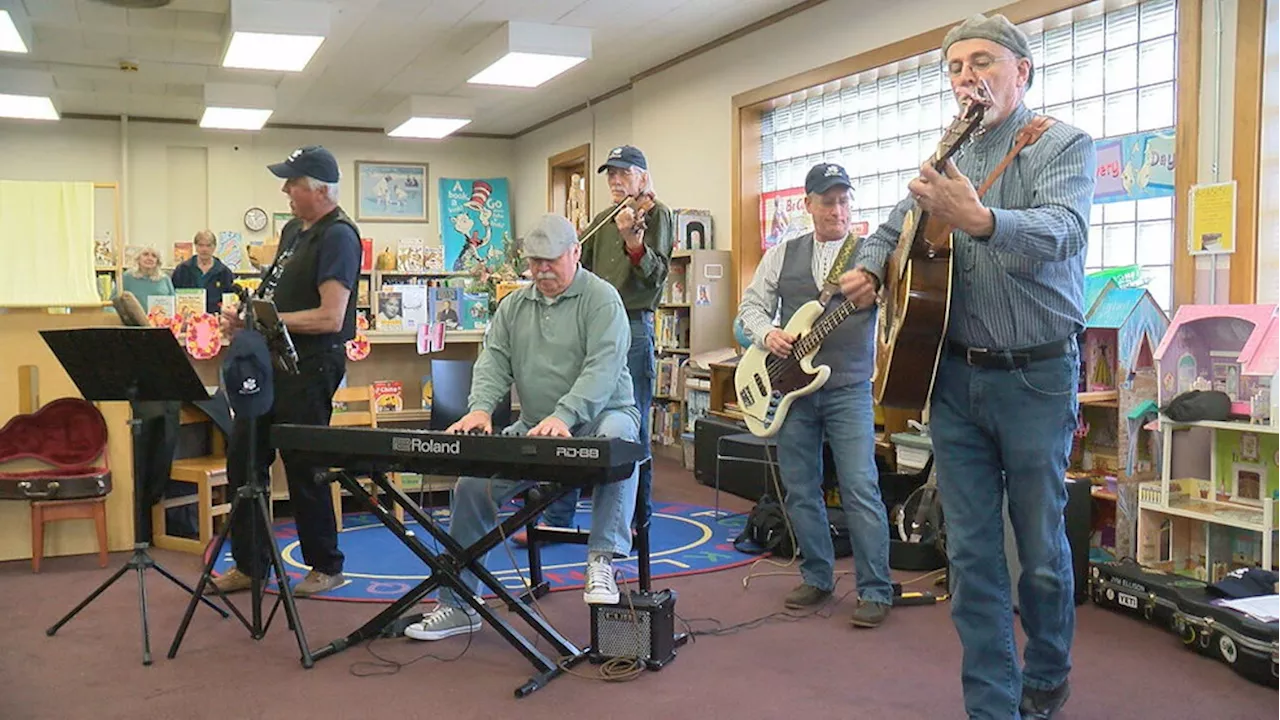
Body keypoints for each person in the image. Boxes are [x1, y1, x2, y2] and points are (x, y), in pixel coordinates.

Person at [842, 14, 1096, 720]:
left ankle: (1046, 674)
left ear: (1023, 71)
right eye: (954, 68)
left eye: (981, 61)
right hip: (951, 380)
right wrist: (868, 268)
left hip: (1036, 379)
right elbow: (894, 224)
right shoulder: (947, 151)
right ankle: (991, 704)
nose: (965, 77)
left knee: (1040, 550)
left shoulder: (1064, 145)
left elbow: (1066, 233)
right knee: (975, 555)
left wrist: (982, 219)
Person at [404, 214, 641, 641]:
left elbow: (602, 370)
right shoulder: (514, 305)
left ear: (576, 253)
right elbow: (494, 360)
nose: (542, 271)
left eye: (551, 261)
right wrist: (479, 409)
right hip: (536, 427)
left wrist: (564, 415)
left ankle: (602, 560)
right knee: (471, 487)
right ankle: (460, 603)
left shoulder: (603, 300)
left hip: (602, 415)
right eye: (535, 263)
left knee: (618, 443)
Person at [735, 161, 894, 629]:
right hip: (791, 390)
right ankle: (817, 576)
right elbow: (751, 307)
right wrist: (768, 336)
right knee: (801, 488)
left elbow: (898, 306)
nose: (838, 210)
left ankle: (875, 589)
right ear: (808, 206)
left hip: (849, 389)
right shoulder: (782, 255)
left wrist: (879, 295)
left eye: (844, 200)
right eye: (827, 201)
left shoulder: (872, 256)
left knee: (860, 487)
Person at [213, 145, 363, 598]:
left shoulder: (338, 236)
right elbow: (274, 298)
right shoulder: (294, 230)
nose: (285, 191)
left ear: (320, 190)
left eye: (293, 184)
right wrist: (247, 317)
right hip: (270, 361)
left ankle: (326, 564)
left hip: (310, 365)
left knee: (303, 464)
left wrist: (267, 321)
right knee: (243, 459)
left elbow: (331, 317)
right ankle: (250, 564)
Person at [515, 145, 673, 545]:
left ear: (643, 177)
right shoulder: (603, 220)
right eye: (611, 175)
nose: (617, 181)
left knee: (629, 428)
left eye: (625, 173)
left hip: (633, 326)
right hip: (589, 323)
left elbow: (655, 277)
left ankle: (636, 523)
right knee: (568, 418)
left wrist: (634, 243)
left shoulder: (656, 215)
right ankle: (558, 519)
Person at [171, 229, 236, 315]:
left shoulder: (224, 272)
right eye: (201, 245)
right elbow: (172, 296)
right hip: (187, 319)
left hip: (215, 320)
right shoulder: (182, 270)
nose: (204, 249)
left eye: (208, 245)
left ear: (214, 247)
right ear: (195, 246)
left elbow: (229, 300)